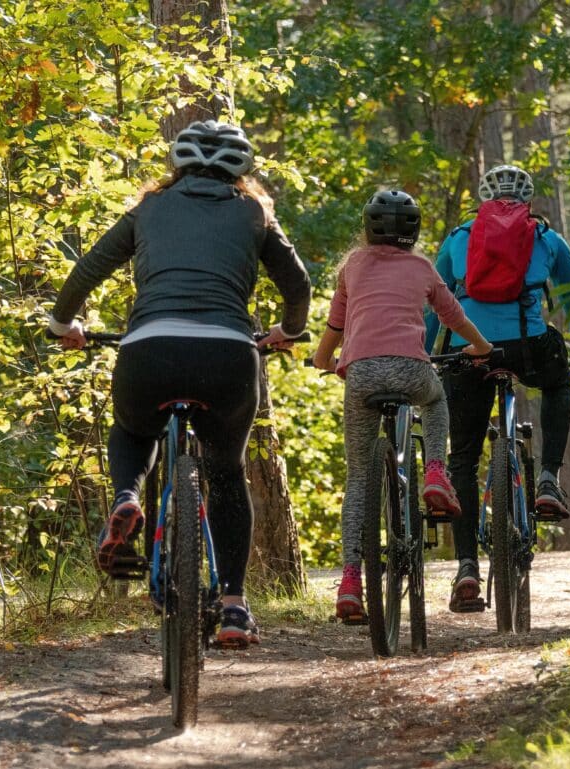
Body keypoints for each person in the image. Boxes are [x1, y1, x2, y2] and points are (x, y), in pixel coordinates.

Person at [47, 120, 311, 648]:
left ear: (177, 164)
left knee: (132, 430)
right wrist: (290, 330)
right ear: (243, 170)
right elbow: (297, 284)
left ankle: (127, 497)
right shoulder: (254, 211)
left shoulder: (149, 208)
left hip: (150, 348)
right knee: (228, 474)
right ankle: (234, 605)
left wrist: (63, 325)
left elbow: (88, 269)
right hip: (228, 354)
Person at [424, 164, 570, 613]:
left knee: (462, 457)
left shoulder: (459, 238)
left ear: (484, 199)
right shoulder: (547, 239)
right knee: (558, 382)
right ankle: (547, 479)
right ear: (527, 199)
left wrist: (426, 352)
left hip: (468, 351)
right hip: (528, 347)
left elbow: (433, 301)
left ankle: (467, 566)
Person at [312, 189, 493, 622]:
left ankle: (351, 582)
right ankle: (435, 471)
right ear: (413, 232)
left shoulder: (352, 267)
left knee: (358, 479)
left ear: (368, 227)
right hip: (414, 370)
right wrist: (482, 347)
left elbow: (336, 324)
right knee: (435, 400)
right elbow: (453, 316)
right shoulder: (422, 268)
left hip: (361, 375)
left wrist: (324, 361)